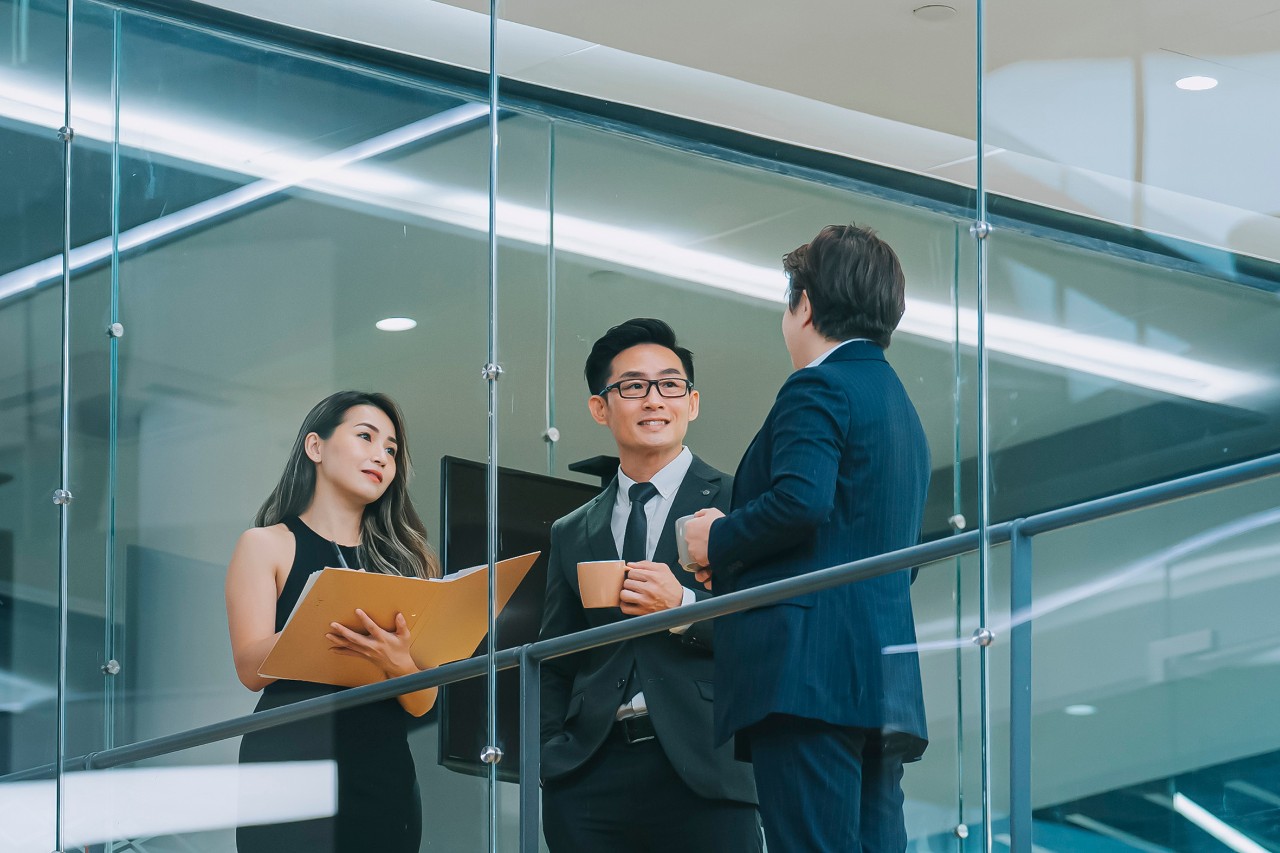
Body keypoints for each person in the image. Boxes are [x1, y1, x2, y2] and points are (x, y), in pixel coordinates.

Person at [684, 225, 931, 853]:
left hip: (806, 674)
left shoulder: (817, 385)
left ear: (807, 304)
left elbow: (801, 502)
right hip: (882, 677)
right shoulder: (901, 406)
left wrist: (717, 541)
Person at [538, 319, 761, 853]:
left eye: (670, 384)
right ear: (601, 408)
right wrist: (549, 757)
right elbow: (555, 660)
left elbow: (773, 625)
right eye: (634, 386)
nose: (654, 399)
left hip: (707, 763)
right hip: (590, 774)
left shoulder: (743, 502)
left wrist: (683, 606)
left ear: (693, 401)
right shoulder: (572, 531)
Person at [225, 390, 439, 853]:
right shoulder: (266, 544)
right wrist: (326, 619)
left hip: (381, 765)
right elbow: (249, 667)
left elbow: (424, 702)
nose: (380, 456)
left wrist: (398, 661)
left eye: (391, 450)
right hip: (289, 757)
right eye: (365, 436)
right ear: (315, 447)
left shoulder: (409, 563)